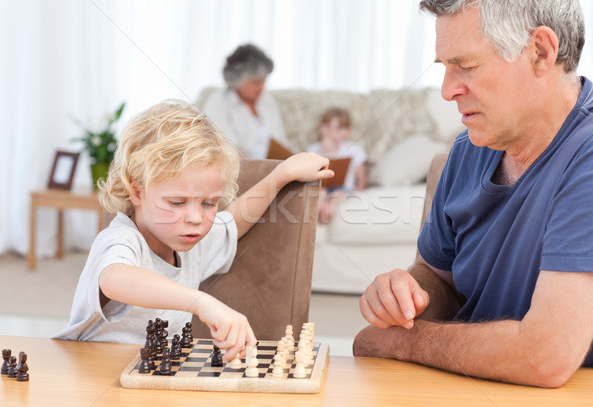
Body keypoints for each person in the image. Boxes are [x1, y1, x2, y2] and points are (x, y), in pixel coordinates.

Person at [353, 0, 593, 388]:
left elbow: (546, 354)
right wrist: (407, 293)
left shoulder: (588, 154)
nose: (448, 91)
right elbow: (440, 279)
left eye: (466, 65)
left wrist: (403, 342)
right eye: (444, 67)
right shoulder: (468, 150)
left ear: (540, 53)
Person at [53, 100, 333, 361]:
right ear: (136, 190)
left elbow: (233, 221)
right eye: (177, 202)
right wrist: (202, 302)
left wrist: (282, 174)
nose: (196, 219)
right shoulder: (122, 239)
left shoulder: (192, 243)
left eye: (209, 203)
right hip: (92, 377)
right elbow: (114, 278)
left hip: (149, 381)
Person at [203, 44, 288, 159]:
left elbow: (281, 141)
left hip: (275, 165)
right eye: (256, 82)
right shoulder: (218, 103)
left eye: (264, 81)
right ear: (237, 80)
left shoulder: (267, 101)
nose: (261, 87)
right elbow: (224, 148)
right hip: (243, 167)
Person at [307, 107, 367, 223]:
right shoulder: (313, 149)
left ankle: (328, 213)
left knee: (337, 195)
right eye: (328, 127)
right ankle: (318, 211)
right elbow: (309, 173)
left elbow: (361, 179)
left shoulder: (354, 150)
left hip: (343, 188)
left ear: (348, 131)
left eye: (338, 129)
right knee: (320, 193)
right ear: (320, 128)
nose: (332, 133)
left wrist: (358, 190)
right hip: (320, 186)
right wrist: (326, 151)